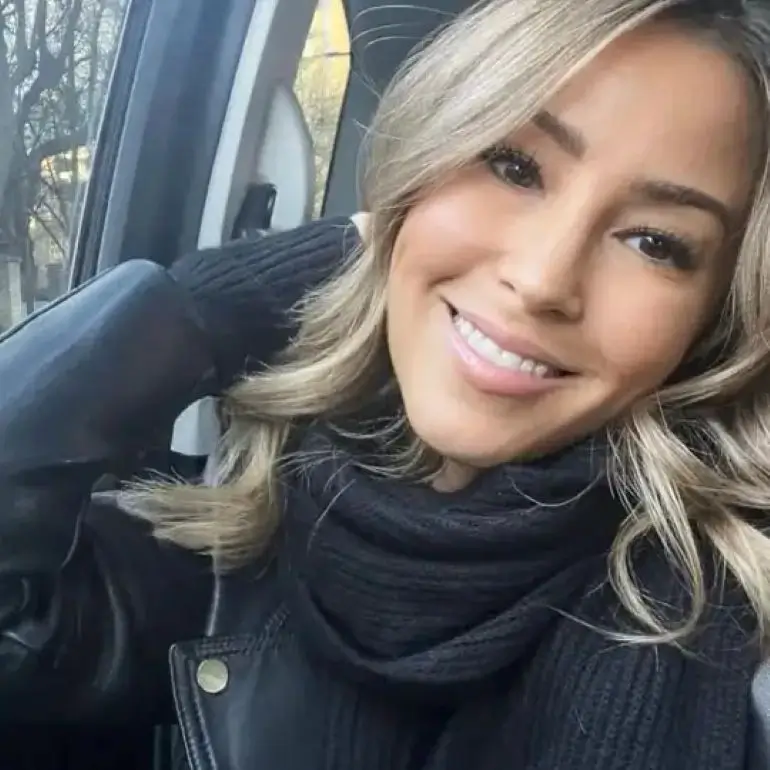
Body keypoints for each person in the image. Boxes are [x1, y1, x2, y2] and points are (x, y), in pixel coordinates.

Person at [2, 0, 770, 768]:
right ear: (416, 170)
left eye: (655, 242)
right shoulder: (237, 550)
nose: (543, 280)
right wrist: (218, 303)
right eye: (513, 166)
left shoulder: (739, 638)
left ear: (715, 319)